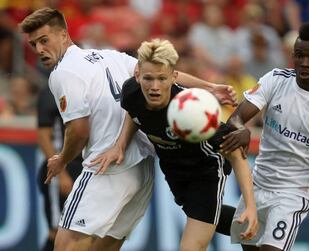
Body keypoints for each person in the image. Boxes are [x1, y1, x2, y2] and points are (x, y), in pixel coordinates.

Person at [19, 7, 238, 251]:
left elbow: (79, 130)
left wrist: (62, 160)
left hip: (106, 166)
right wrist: (209, 87)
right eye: (34, 44)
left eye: (44, 40)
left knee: (65, 246)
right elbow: (161, 71)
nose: (39, 50)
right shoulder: (110, 56)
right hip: (141, 170)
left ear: (63, 35)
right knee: (106, 246)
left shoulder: (63, 73)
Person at [89, 38, 258, 251]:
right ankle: (254, 234)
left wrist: (250, 205)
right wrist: (120, 144)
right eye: (148, 78)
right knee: (204, 214)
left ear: (174, 77)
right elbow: (134, 113)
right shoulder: (131, 91)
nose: (154, 87)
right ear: (137, 75)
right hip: (174, 170)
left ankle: (253, 221)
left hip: (206, 172)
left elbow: (235, 154)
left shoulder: (193, 109)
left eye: (162, 79)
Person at [220, 21, 309, 251]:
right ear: (292, 55)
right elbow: (237, 118)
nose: (305, 63)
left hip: (294, 192)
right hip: (257, 185)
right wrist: (241, 129)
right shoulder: (275, 79)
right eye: (299, 55)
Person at [37, 85, 82, 251]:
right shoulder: (51, 92)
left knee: (80, 234)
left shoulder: (85, 89)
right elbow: (43, 136)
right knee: (57, 231)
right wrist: (61, 174)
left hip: (83, 168)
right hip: (61, 169)